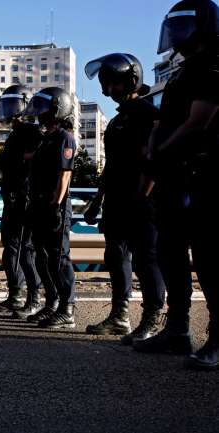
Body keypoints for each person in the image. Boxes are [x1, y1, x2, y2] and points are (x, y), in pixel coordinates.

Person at [134, 0, 219, 370]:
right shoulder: (184, 71)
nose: (176, 34)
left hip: (203, 176)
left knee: (210, 260)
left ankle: (217, 339)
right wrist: (156, 150)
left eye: (183, 26)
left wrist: (160, 152)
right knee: (170, 253)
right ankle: (178, 329)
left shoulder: (214, 65)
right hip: (174, 176)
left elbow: (199, 121)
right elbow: (166, 122)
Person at [83, 53, 167, 343]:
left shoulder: (148, 114)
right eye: (105, 83)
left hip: (142, 200)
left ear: (130, 80)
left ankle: (152, 318)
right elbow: (111, 166)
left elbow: (154, 158)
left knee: (147, 259)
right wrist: (97, 201)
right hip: (117, 202)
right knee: (116, 257)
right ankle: (120, 316)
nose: (107, 89)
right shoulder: (118, 122)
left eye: (112, 82)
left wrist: (143, 196)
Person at [21, 87, 78, 329]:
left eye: (44, 110)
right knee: (42, 256)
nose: (40, 115)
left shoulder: (65, 137)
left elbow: (64, 175)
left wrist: (56, 205)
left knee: (59, 258)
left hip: (54, 205)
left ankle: (68, 308)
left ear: (57, 109)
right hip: (39, 203)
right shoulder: (47, 138)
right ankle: (52, 303)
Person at [0, 85, 44, 315]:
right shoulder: (14, 133)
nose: (9, 109)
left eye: (13, 103)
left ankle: (33, 298)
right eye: (7, 104)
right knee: (10, 249)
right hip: (11, 200)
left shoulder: (33, 131)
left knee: (25, 250)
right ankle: (15, 295)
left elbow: (40, 158)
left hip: (25, 199)